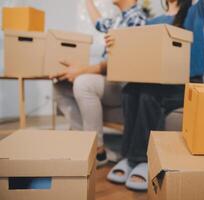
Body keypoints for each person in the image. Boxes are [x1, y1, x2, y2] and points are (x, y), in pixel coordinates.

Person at [106, 0, 204, 191]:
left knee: (150, 93)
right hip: (158, 80)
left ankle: (142, 159)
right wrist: (114, 43)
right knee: (130, 90)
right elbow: (141, 52)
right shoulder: (152, 21)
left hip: (189, 83)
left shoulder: (196, 11)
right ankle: (127, 158)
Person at [50, 0, 146, 167]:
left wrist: (83, 70)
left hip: (123, 84)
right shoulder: (118, 19)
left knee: (83, 83)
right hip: (109, 80)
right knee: (60, 85)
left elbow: (124, 61)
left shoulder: (137, 19)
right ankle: (86, 143)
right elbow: (98, 22)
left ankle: (98, 152)